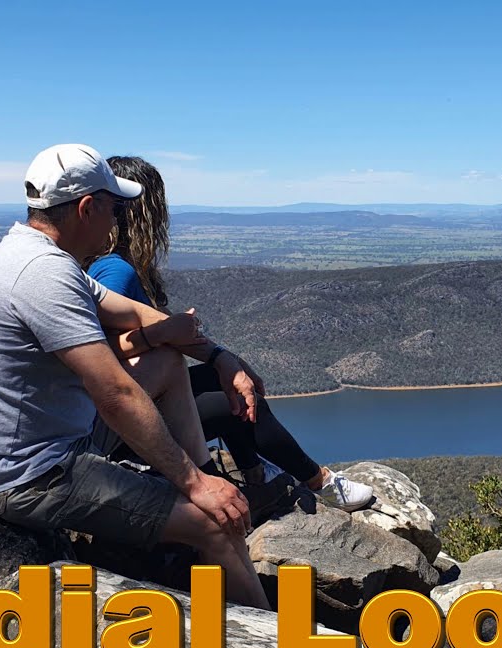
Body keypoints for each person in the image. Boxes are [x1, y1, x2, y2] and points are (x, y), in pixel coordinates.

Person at [0, 143, 270, 609]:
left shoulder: (37, 255)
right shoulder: (42, 274)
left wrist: (221, 358)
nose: (116, 221)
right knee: (216, 525)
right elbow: (115, 394)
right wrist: (195, 488)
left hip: (54, 442)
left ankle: (206, 476)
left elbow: (138, 316)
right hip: (32, 476)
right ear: (87, 208)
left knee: (166, 362)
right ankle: (276, 647)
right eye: (114, 209)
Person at [88, 156, 374, 512]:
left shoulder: (117, 266)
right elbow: (91, 353)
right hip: (120, 428)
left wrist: (226, 360)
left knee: (224, 383)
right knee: (235, 402)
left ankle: (256, 475)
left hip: (130, 407)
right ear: (145, 211)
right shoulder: (115, 271)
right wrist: (162, 337)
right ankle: (321, 483)